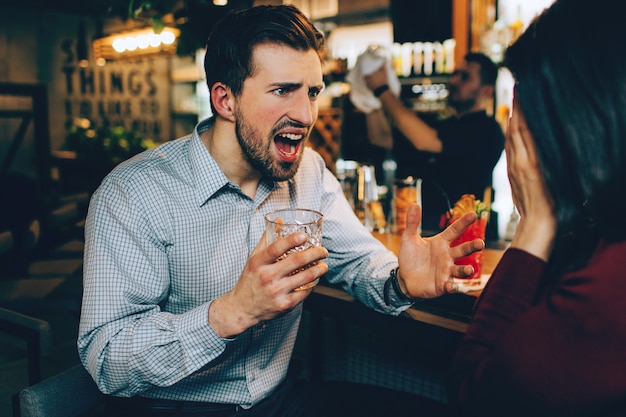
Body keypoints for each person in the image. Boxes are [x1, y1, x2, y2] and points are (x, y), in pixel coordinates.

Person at [77, 5, 483, 417]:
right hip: (173, 407)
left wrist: (399, 281)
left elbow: (360, 260)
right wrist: (232, 312)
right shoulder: (134, 193)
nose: (306, 115)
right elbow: (107, 359)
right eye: (282, 90)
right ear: (225, 99)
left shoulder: (308, 172)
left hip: (280, 398)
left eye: (312, 92)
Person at [447, 0, 626, 415]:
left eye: (528, 106)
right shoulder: (602, 233)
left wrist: (537, 222)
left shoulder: (609, 283)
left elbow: (474, 396)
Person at [363, 52, 505, 233]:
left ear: (486, 91)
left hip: (456, 235)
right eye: (455, 74)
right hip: (413, 228)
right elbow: (380, 137)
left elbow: (425, 142)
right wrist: (369, 101)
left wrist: (382, 90)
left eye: (465, 77)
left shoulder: (487, 131)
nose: (454, 81)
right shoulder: (442, 124)